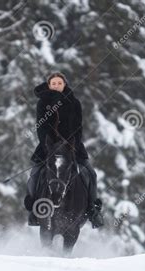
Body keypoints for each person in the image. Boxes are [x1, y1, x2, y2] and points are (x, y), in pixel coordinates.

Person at [24, 72, 104, 228]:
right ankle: (34, 211)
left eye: (59, 83)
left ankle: (92, 211)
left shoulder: (75, 103)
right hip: (48, 147)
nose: (56, 86)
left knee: (91, 174)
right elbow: (41, 127)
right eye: (53, 83)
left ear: (64, 85)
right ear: (49, 85)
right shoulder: (42, 103)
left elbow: (78, 127)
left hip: (73, 146)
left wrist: (72, 144)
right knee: (34, 174)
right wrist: (49, 145)